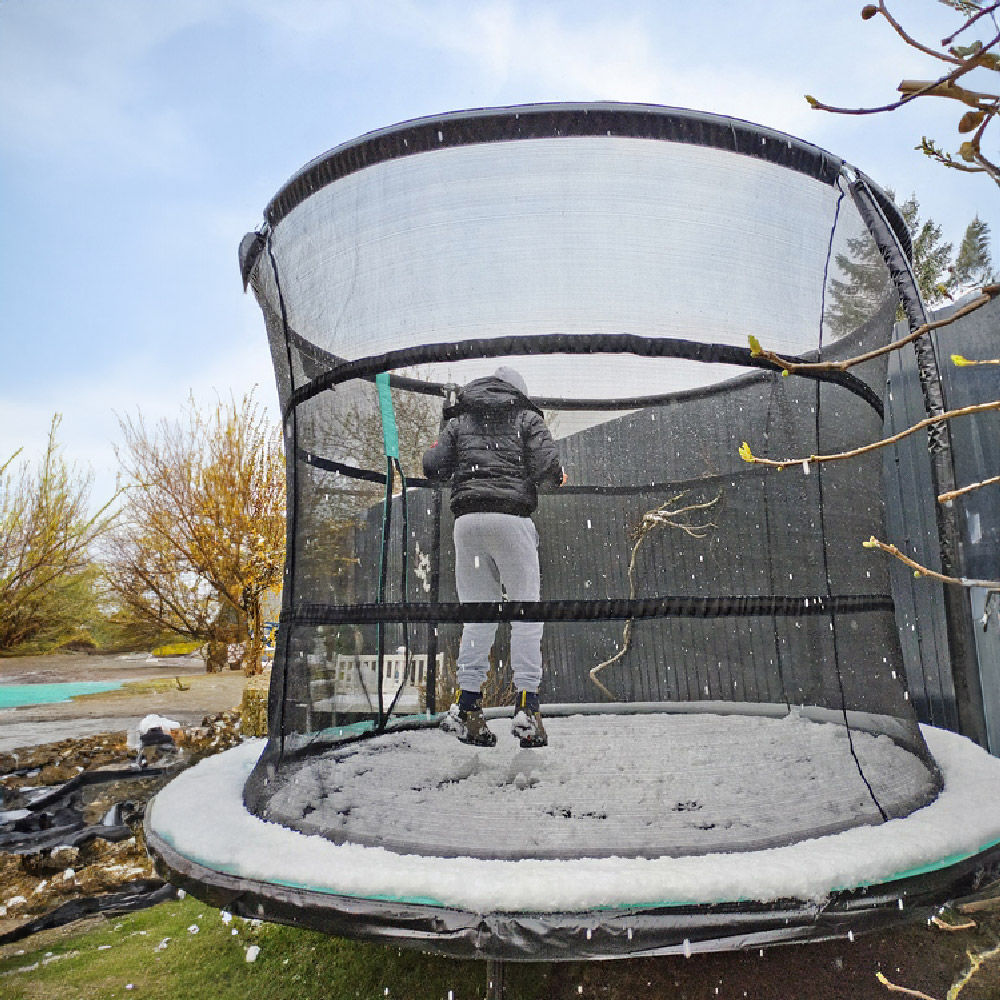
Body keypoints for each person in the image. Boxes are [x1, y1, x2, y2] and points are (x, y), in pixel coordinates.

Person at [423, 366, 565, 748]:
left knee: (478, 615)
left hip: (467, 523)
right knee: (526, 612)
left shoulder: (460, 420)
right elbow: (548, 469)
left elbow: (432, 467)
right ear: (518, 392)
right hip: (511, 520)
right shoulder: (525, 417)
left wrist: (449, 431)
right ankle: (527, 708)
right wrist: (557, 475)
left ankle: (467, 706)